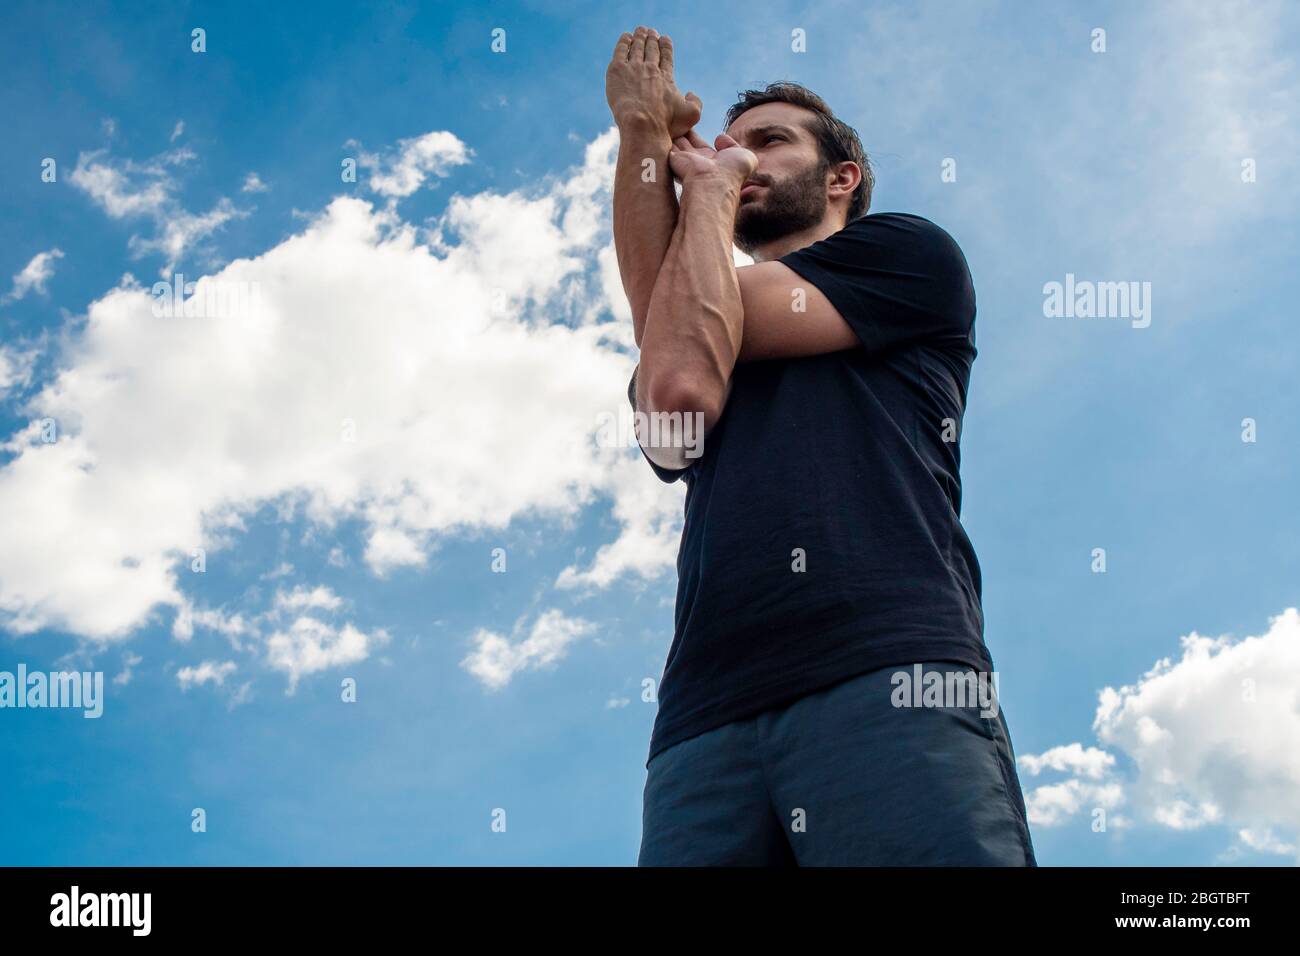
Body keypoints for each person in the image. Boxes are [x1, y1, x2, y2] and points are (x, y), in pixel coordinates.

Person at [606, 26, 1037, 866]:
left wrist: (707, 184)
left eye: (771, 142)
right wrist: (641, 141)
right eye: (732, 145)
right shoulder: (678, 329)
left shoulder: (907, 254)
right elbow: (675, 395)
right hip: (701, 716)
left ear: (842, 177)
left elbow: (693, 359)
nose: (742, 157)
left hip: (890, 669)